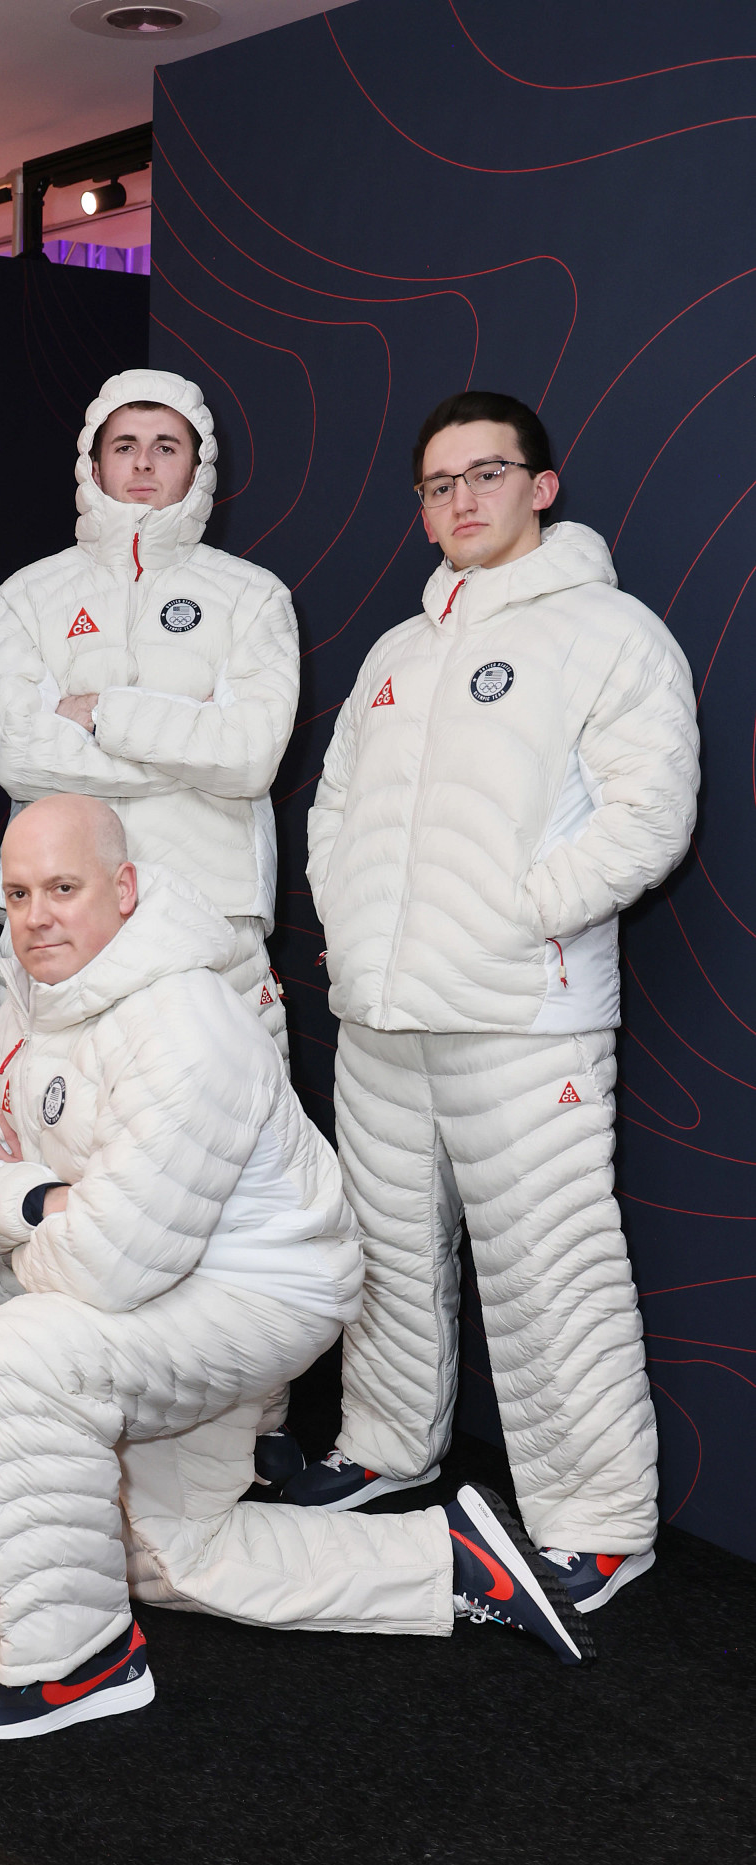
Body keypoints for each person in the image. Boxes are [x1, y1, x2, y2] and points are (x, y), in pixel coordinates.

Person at [0, 795, 593, 1740]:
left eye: (62, 889)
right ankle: (448, 1560)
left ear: (123, 890)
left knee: (18, 1355)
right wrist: (41, 1200)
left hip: (257, 1298)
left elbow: (107, 1268)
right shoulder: (32, 996)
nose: (34, 917)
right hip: (159, 1285)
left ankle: (77, 1666)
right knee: (161, 1555)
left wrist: (34, 1196)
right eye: (19, 893)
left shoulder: (186, 1021)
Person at [290, 391, 700, 1615]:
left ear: (543, 484)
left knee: (554, 1271)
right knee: (386, 1250)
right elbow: (331, 808)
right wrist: (356, 924)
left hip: (527, 1019)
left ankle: (602, 1526)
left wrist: (516, 913)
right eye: (438, 483)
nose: (461, 499)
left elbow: (649, 816)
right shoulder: (398, 652)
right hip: (382, 1019)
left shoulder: (613, 634)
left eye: (485, 473)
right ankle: (385, 1442)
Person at [0, 367, 304, 1489]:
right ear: (92, 457)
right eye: (125, 442)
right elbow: (19, 752)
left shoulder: (249, 594)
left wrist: (105, 710)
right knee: (49, 1157)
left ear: (197, 464)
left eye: (168, 444)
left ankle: (245, 1432)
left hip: (212, 932)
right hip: (59, 936)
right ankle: (47, 1414)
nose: (145, 463)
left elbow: (253, 750)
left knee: (224, 1182)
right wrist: (186, 741)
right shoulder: (29, 593)